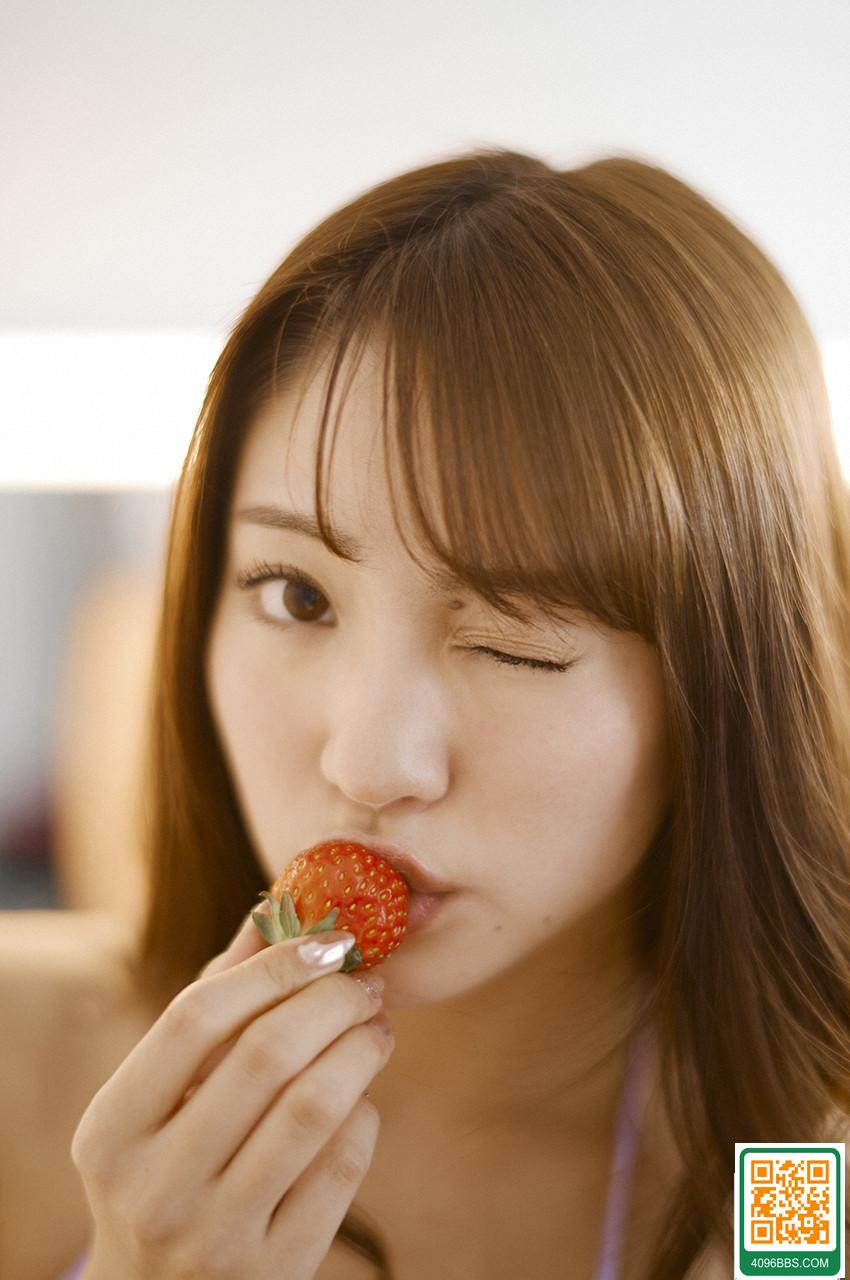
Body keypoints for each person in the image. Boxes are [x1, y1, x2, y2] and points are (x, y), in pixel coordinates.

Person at [4, 146, 848, 1280]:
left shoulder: (793, 1178)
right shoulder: (20, 1065)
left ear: (728, 687)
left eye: (512, 639)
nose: (368, 762)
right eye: (294, 595)